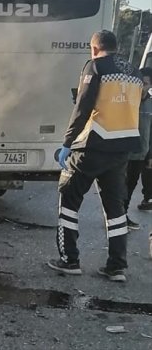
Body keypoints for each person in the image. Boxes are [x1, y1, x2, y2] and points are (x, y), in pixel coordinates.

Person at [48, 30, 143, 283]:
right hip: (121, 148)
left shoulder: (95, 66)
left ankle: (69, 260)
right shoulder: (133, 72)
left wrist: (68, 141)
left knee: (69, 197)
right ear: (117, 46)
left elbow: (84, 106)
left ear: (94, 48)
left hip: (93, 145)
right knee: (116, 208)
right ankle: (117, 267)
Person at [126, 67, 152, 218]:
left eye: (146, 84)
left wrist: (150, 155)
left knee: (130, 186)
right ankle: (117, 217)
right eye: (140, 83)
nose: (142, 87)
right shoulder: (126, 100)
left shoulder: (150, 104)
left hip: (141, 154)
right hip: (124, 153)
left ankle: (123, 216)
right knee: (119, 188)